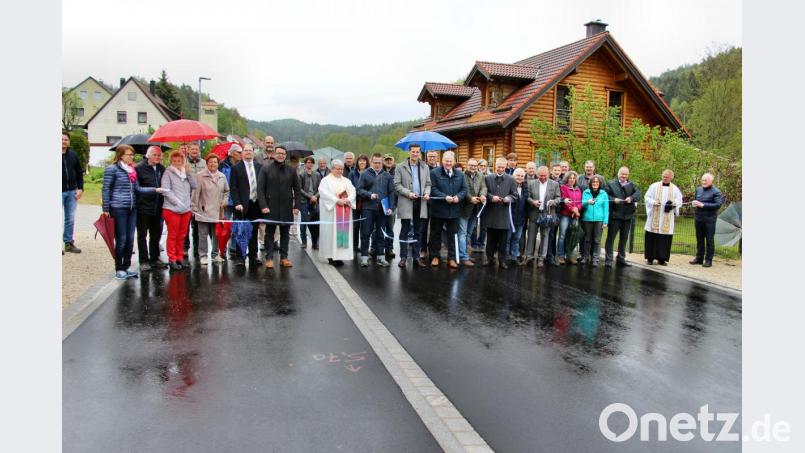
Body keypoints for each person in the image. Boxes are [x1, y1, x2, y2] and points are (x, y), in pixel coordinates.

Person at [102, 144, 163, 279]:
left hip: (132, 207)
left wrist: (154, 189)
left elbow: (138, 189)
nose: (132, 157)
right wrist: (106, 208)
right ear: (120, 156)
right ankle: (119, 268)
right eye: (129, 154)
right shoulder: (112, 169)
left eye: (132, 154)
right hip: (118, 207)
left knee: (130, 239)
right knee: (122, 238)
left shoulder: (131, 170)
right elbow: (106, 189)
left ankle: (127, 266)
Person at [258, 145, 301, 269]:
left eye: (283, 153)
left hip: (286, 207)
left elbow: (297, 190)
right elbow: (260, 189)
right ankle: (269, 258)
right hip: (270, 207)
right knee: (269, 233)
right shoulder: (266, 169)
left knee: (285, 234)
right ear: (274, 154)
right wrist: (263, 205)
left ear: (285, 155)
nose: (281, 155)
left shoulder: (291, 170)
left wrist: (296, 205)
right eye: (279, 153)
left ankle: (284, 257)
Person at [394, 144, 431, 268]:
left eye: (417, 152)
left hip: (421, 202)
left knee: (418, 231)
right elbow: (397, 185)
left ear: (420, 153)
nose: (415, 154)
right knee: (404, 230)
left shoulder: (425, 167)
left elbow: (428, 183)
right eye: (413, 152)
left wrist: (426, 192)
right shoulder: (400, 167)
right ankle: (403, 257)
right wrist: (408, 193)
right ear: (409, 153)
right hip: (406, 201)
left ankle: (416, 257)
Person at [428, 151, 467, 268]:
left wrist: (458, 197)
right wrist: (444, 197)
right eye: (446, 161)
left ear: (454, 162)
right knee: (435, 234)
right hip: (438, 210)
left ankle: (452, 258)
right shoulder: (434, 173)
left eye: (450, 161)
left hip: (454, 210)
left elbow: (464, 189)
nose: (448, 163)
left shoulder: (460, 174)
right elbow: (432, 189)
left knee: (453, 235)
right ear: (442, 161)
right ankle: (435, 256)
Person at [161, 150, 198, 271]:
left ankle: (179, 257)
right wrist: (177, 202)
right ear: (171, 161)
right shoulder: (168, 173)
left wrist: (189, 172)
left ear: (183, 161)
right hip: (172, 209)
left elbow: (194, 186)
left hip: (186, 210)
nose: (177, 162)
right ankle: (172, 258)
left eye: (180, 160)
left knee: (182, 235)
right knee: (173, 235)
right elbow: (166, 191)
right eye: (175, 160)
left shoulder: (185, 172)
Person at [357, 153, 395, 267]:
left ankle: (380, 257)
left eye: (379, 163)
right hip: (368, 208)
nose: (377, 165)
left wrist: (391, 208)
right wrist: (369, 195)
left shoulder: (387, 176)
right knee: (366, 233)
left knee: (380, 234)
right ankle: (364, 257)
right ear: (371, 161)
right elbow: (358, 189)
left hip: (382, 210)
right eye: (375, 162)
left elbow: (392, 193)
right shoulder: (364, 174)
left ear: (382, 162)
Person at [191, 153, 230, 266]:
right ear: (207, 163)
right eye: (210, 162)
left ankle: (215, 254)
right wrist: (194, 208)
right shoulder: (200, 176)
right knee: (202, 235)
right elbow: (195, 193)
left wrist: (225, 200)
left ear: (218, 164)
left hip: (218, 211)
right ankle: (203, 255)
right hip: (203, 210)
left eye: (215, 162)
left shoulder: (222, 176)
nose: (213, 164)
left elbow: (227, 191)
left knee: (217, 235)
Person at [318, 159, 357, 266]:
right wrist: (336, 200)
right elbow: (323, 193)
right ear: (332, 169)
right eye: (337, 169)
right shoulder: (325, 181)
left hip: (345, 211)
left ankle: (340, 256)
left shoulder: (346, 181)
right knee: (331, 234)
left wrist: (348, 199)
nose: (340, 171)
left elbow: (353, 191)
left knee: (343, 233)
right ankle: (331, 256)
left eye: (341, 169)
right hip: (332, 213)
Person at [229, 143, 263, 266]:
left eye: (250, 150)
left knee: (254, 231)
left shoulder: (260, 167)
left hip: (255, 203)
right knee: (241, 231)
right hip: (242, 205)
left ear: (253, 152)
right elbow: (233, 187)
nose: (248, 152)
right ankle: (240, 257)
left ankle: (253, 256)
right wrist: (237, 202)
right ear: (242, 153)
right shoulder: (236, 168)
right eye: (246, 150)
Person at [135, 146, 167, 271]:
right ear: (148, 156)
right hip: (143, 206)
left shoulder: (161, 168)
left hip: (158, 206)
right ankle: (143, 260)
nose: (157, 157)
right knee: (142, 235)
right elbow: (137, 189)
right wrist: (154, 190)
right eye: (155, 155)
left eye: (159, 155)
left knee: (156, 234)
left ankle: (154, 258)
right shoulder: (139, 168)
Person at [603, 166, 641, 267]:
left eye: (626, 174)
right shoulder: (610, 184)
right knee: (611, 238)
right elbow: (605, 195)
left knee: (624, 238)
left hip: (627, 216)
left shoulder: (631, 184)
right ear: (618, 174)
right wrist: (613, 199)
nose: (624, 176)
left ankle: (621, 258)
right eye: (622, 174)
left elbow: (638, 194)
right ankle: (608, 259)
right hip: (615, 216)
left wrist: (631, 198)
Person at [643, 169, 683, 265]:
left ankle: (662, 258)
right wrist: (653, 202)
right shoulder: (654, 186)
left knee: (664, 238)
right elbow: (647, 197)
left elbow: (679, 200)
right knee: (652, 236)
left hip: (667, 217)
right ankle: (650, 258)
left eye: (667, 177)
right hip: (654, 216)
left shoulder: (675, 189)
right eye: (663, 176)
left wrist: (674, 203)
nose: (664, 178)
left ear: (671, 178)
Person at [483, 157, 518, 268]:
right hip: (491, 213)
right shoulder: (487, 178)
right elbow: (484, 193)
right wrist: (491, 197)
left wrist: (509, 198)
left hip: (504, 214)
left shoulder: (511, 179)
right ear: (495, 165)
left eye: (503, 167)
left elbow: (515, 195)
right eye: (499, 166)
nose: (501, 169)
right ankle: (489, 258)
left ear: (506, 167)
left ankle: (502, 260)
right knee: (490, 239)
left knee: (503, 240)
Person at [525, 166, 562, 267]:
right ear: (537, 175)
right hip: (534, 212)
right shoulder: (532, 183)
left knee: (545, 236)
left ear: (548, 174)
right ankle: (529, 257)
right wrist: (533, 201)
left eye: (544, 176)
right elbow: (527, 197)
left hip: (548, 214)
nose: (542, 178)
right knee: (531, 235)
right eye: (540, 176)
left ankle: (542, 258)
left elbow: (559, 198)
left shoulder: (554, 184)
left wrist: (553, 202)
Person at [690, 173, 723, 268]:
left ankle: (708, 260)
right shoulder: (698, 189)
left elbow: (718, 205)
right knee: (699, 239)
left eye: (706, 180)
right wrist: (694, 203)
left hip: (709, 220)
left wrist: (703, 205)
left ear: (711, 181)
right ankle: (699, 258)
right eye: (702, 180)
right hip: (699, 218)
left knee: (709, 240)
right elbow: (696, 200)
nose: (703, 182)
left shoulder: (716, 192)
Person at [458, 158, 486, 267]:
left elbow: (484, 187)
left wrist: (483, 195)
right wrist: (470, 198)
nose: (473, 167)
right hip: (464, 210)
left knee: (468, 234)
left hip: (475, 209)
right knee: (462, 234)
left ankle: (464, 254)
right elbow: (463, 190)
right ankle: (464, 257)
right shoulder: (461, 175)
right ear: (467, 165)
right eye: (471, 165)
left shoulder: (481, 176)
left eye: (475, 165)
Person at [62, 131, 84, 253]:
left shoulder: (73, 155)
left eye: (66, 139)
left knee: (70, 218)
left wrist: (80, 188)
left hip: (71, 191)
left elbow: (80, 173)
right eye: (61, 139)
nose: (63, 141)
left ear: (69, 142)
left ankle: (68, 243)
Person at [580, 175, 609, 267]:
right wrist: (587, 202)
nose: (595, 184)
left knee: (597, 240)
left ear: (599, 183)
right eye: (593, 182)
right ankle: (586, 257)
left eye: (597, 182)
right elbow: (581, 204)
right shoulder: (586, 192)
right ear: (591, 183)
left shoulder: (604, 194)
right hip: (587, 219)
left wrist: (605, 221)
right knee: (587, 239)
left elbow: (606, 208)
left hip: (599, 220)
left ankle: (595, 259)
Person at [184, 142, 206, 259]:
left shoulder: (204, 163)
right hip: (186, 196)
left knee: (198, 225)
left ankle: (197, 248)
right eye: (192, 149)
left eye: (196, 149)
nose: (194, 151)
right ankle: (185, 248)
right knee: (186, 225)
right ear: (188, 150)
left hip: (199, 197)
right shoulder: (184, 163)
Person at [557, 171, 583, 265]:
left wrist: (577, 209)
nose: (572, 180)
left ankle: (569, 255)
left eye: (573, 178)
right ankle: (560, 256)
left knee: (571, 236)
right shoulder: (563, 188)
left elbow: (580, 202)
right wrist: (573, 209)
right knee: (562, 235)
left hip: (574, 216)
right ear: (567, 179)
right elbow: (565, 201)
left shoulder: (578, 189)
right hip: (565, 215)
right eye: (570, 178)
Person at [298, 156, 322, 250]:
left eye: (311, 162)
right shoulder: (301, 174)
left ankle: (315, 243)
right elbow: (299, 189)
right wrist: (310, 197)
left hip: (315, 201)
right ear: (305, 163)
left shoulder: (317, 174)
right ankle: (304, 241)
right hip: (304, 201)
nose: (310, 164)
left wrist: (316, 196)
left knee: (315, 223)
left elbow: (321, 188)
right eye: (308, 162)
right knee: (304, 221)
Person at [507, 168, 529, 266]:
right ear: (513, 176)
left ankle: (514, 257)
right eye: (518, 175)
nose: (519, 177)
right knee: (507, 239)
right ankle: (505, 257)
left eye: (521, 176)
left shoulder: (525, 187)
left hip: (520, 218)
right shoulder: (508, 186)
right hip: (509, 218)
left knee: (516, 239)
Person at [348, 154, 369, 253]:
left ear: (366, 162)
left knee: (365, 227)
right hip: (355, 203)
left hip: (367, 203)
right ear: (357, 162)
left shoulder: (370, 173)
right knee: (355, 226)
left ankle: (364, 247)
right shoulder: (352, 173)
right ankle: (354, 246)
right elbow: (349, 187)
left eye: (364, 161)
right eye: (360, 161)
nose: (362, 162)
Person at [382, 154, 397, 260]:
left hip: (392, 204)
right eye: (386, 160)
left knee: (390, 228)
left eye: (390, 160)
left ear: (393, 161)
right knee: (378, 228)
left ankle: (389, 248)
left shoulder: (397, 172)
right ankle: (376, 248)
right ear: (383, 161)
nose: (388, 161)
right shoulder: (380, 172)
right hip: (380, 204)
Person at [475, 159, 489, 252]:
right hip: (475, 202)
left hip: (485, 203)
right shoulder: (475, 176)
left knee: (484, 225)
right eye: (481, 165)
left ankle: (481, 243)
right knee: (474, 224)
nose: (483, 167)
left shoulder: (489, 176)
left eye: (484, 166)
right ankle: (473, 243)